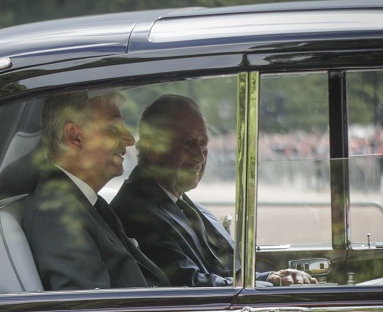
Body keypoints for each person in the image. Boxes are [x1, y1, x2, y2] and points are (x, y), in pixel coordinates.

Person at [111, 94, 316, 287]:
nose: (200, 157)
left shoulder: (178, 204)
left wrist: (272, 277)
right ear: (154, 147)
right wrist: (267, 285)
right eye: (188, 143)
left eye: (203, 143)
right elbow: (191, 285)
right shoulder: (136, 213)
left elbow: (218, 273)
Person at [22, 90, 171, 290]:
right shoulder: (57, 213)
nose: (130, 139)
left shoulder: (84, 202)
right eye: (114, 128)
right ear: (74, 137)